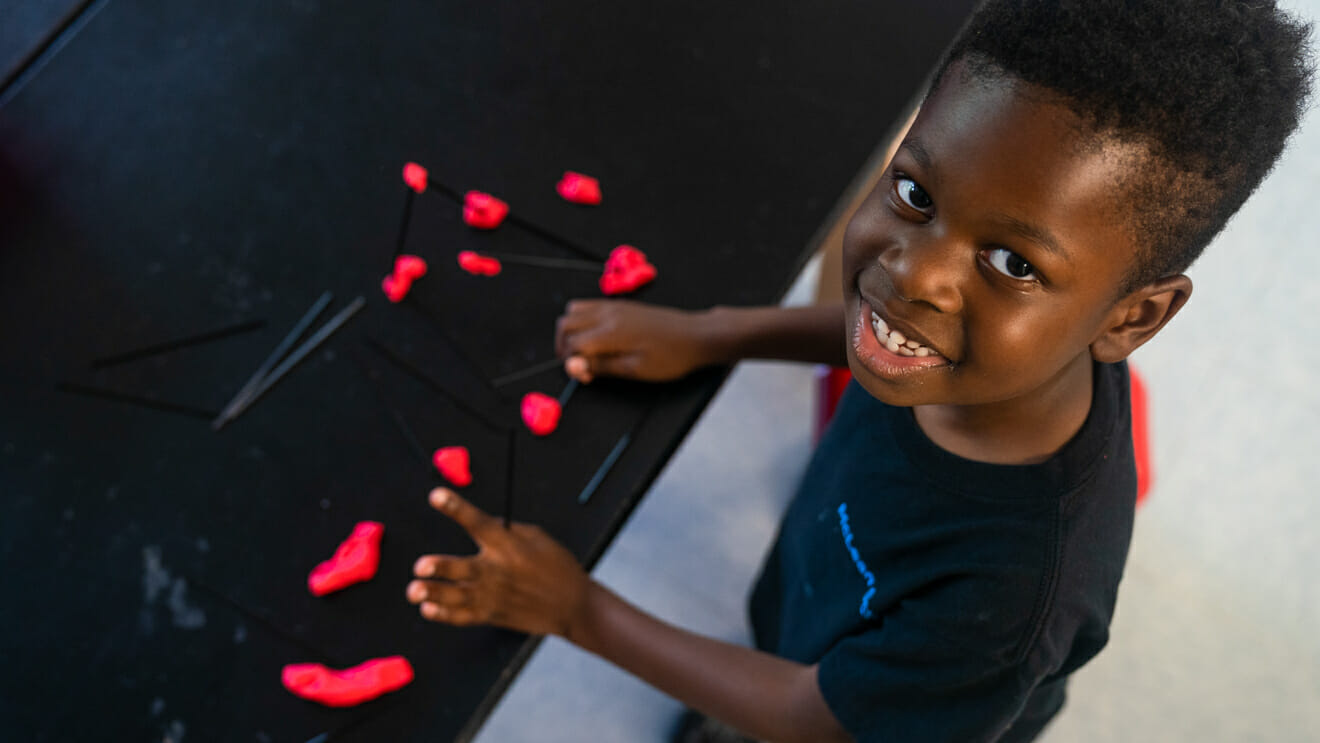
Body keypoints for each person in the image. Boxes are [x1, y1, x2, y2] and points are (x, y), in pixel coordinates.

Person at [405, 2, 1313, 741]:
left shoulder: (1016, 597)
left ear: (1132, 316)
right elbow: (866, 322)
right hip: (825, 591)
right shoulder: (965, 355)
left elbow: (817, 717)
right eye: (916, 193)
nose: (912, 274)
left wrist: (577, 610)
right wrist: (713, 333)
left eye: (1013, 264)